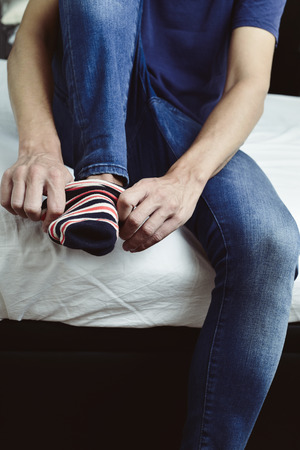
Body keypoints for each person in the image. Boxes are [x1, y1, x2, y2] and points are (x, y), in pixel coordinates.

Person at [1, 0, 299, 448]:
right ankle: (100, 176)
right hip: (86, 106)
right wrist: (38, 147)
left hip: (182, 125)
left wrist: (186, 179)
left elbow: (248, 81)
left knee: (271, 245)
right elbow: (33, 35)